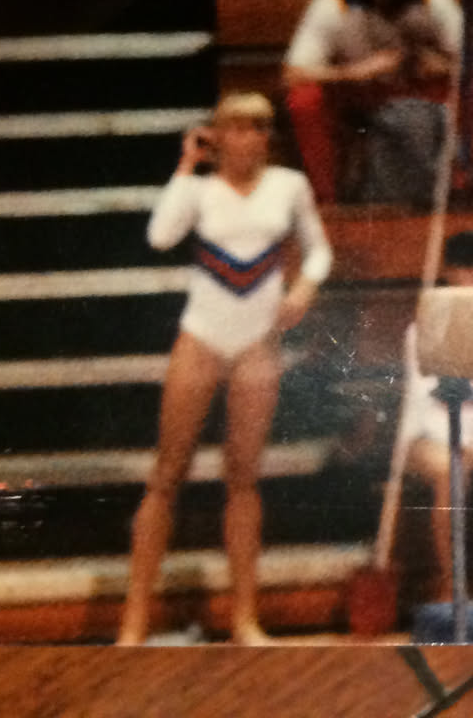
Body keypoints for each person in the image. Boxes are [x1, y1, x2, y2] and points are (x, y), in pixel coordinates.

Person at [118, 92, 331, 645]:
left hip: (257, 346)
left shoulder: (289, 185)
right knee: (167, 474)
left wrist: (304, 289)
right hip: (201, 341)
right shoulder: (198, 189)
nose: (250, 137)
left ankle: (244, 618)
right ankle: (134, 621)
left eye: (260, 127)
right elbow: (160, 236)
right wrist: (187, 166)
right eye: (238, 127)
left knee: (244, 478)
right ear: (216, 135)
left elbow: (319, 251)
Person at [280, 0, 473, 205]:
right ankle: (326, 198)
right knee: (304, 101)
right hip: (356, 88)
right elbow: (292, 73)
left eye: (406, 4)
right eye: (393, 1)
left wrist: (439, 65)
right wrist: (353, 72)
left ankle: (456, 186)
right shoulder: (336, 1)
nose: (400, 10)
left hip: (410, 86)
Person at [402, 229, 473, 601]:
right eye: (467, 268)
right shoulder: (423, 329)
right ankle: (452, 585)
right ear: (449, 272)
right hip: (429, 437)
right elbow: (425, 407)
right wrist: (472, 449)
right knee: (452, 470)